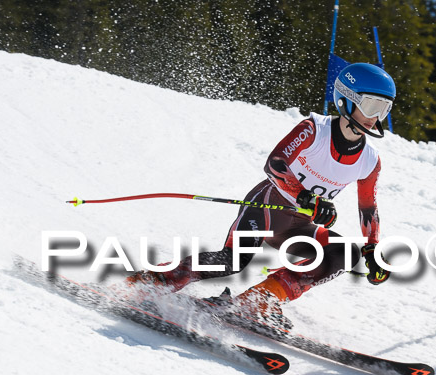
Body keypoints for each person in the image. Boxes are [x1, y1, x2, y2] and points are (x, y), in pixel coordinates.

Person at [126, 63, 395, 321]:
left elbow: (368, 208)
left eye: (384, 110)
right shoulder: (314, 130)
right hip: (267, 207)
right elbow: (275, 164)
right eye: (371, 106)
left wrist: (372, 250)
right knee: (231, 262)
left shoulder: (370, 160)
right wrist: (306, 197)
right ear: (346, 99)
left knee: (345, 252)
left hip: (298, 226)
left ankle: (259, 300)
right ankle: (153, 283)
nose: (375, 118)